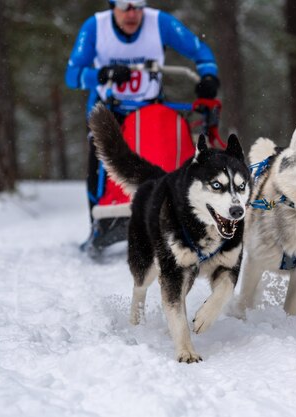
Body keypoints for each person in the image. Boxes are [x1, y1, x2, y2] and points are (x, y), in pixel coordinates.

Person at [65, 0, 220, 253]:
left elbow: (200, 51)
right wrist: (103, 74)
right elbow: (72, 76)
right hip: (109, 110)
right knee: (100, 162)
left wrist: (208, 77)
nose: (132, 14)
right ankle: (99, 224)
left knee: (166, 156)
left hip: (150, 108)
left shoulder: (159, 22)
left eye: (137, 6)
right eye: (125, 7)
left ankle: (177, 209)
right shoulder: (95, 26)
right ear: (112, 6)